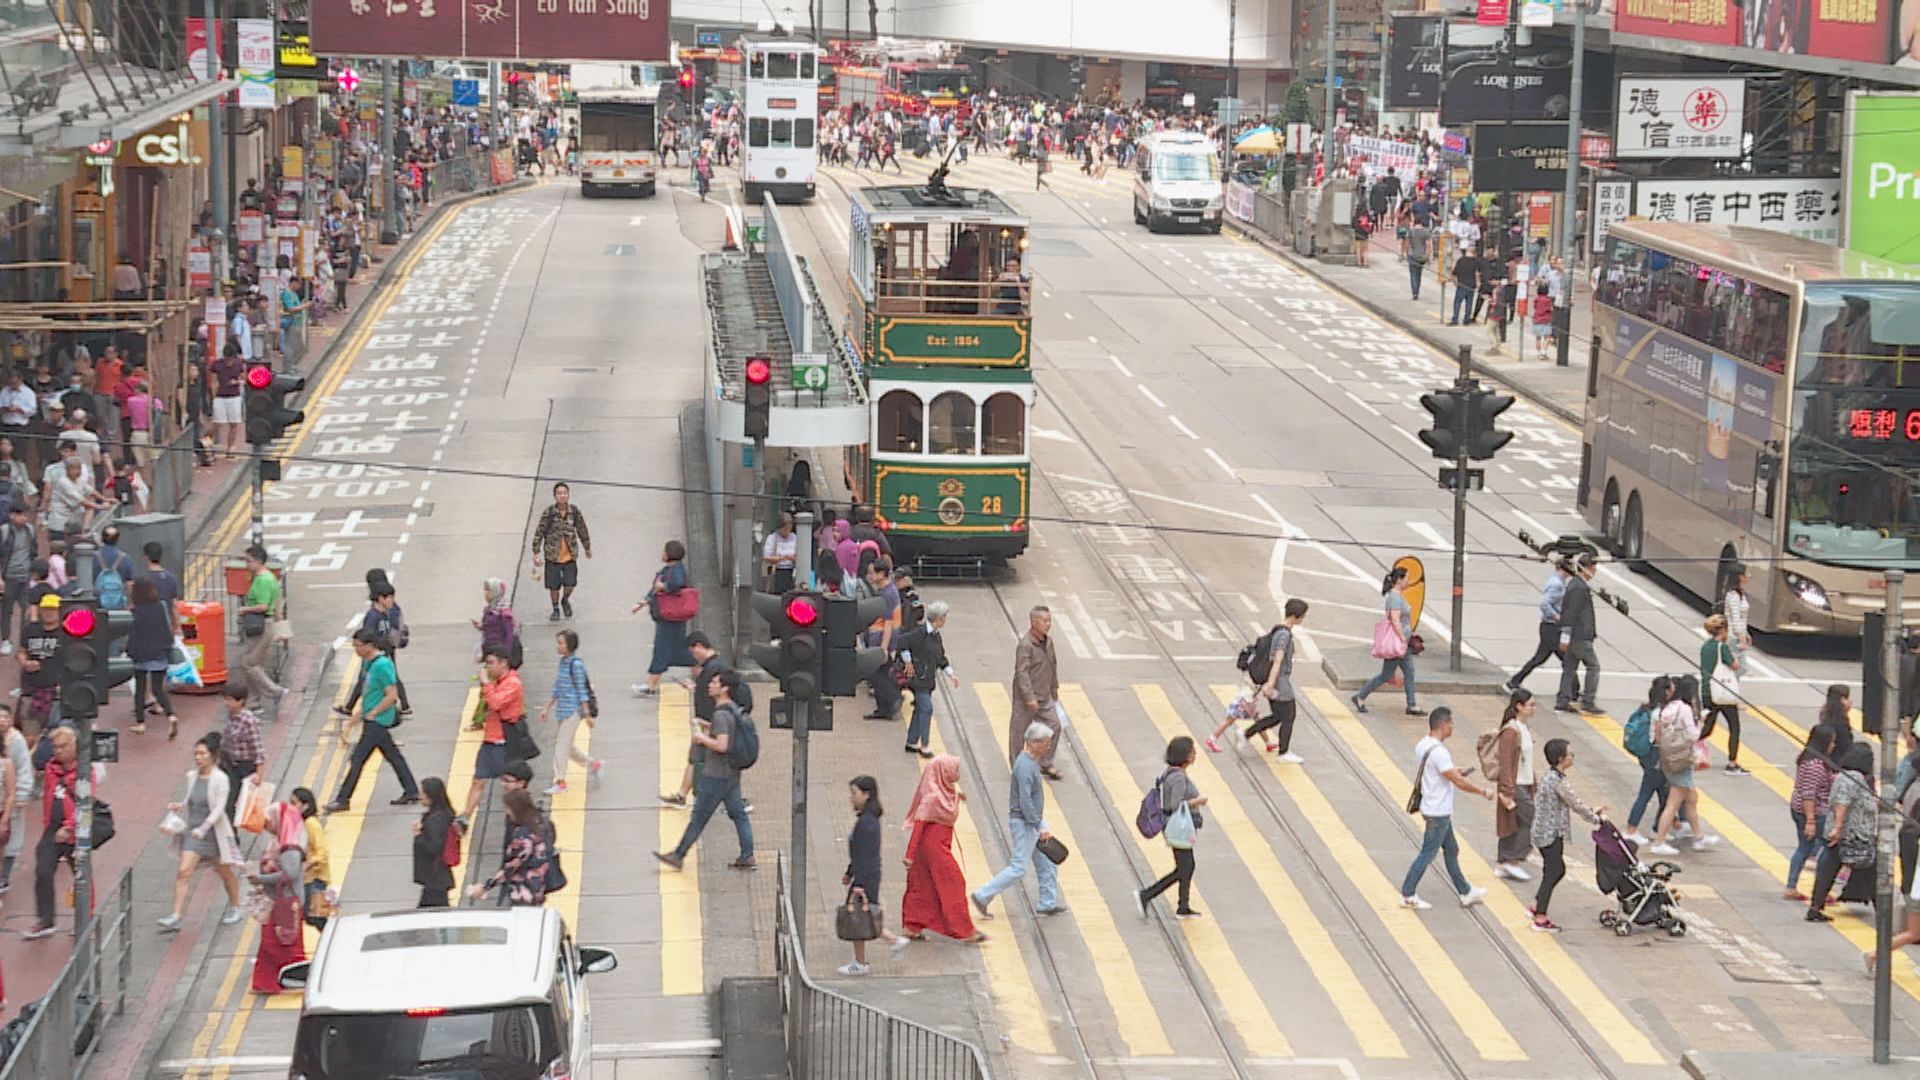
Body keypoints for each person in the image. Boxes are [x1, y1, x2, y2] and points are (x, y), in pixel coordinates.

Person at [655, 669, 755, 870]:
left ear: (724, 688)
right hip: (731, 773)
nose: (710, 685)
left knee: (699, 817)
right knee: (738, 814)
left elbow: (722, 745)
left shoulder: (721, 714)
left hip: (716, 775)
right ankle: (747, 855)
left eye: (715, 683)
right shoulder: (733, 710)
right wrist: (706, 726)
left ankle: (678, 855)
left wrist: (701, 738)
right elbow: (727, 734)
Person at [1399, 707, 1492, 911]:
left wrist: (1453, 770)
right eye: (1451, 724)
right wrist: (1482, 791)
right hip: (1437, 810)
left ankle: (1465, 890)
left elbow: (1438, 771)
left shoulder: (1423, 745)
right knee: (1427, 853)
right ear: (1443, 725)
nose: (1453, 727)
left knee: (1451, 849)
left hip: (1433, 806)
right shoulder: (1440, 752)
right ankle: (1407, 893)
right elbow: (1459, 782)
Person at [971, 722, 1065, 919]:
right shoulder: (1024, 767)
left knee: (1047, 862)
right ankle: (982, 895)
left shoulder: (1030, 762)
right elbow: (1024, 800)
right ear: (1033, 743)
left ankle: (1047, 903)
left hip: (1032, 820)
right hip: (1025, 823)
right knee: (1018, 867)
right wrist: (1038, 825)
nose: (1049, 746)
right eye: (1046, 742)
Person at [324, 629, 421, 812]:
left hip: (378, 720)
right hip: (373, 718)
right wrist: (354, 719)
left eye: (358, 646)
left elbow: (391, 695)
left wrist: (374, 713)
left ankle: (343, 799)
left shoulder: (382, 665)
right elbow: (370, 694)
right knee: (393, 756)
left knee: (358, 759)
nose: (356, 650)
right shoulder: (369, 664)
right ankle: (411, 790)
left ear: (369, 646)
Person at [897, 755, 985, 947]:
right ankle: (964, 930)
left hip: (932, 847)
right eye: (954, 770)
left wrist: (958, 797)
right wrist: (909, 855)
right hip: (934, 849)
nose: (957, 773)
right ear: (943, 773)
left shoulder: (943, 791)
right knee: (954, 883)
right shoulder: (933, 798)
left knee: (922, 884)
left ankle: (912, 925)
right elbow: (919, 825)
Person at [159, 734, 244, 930]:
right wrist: (179, 805)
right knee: (183, 871)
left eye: (202, 754)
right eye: (196, 753)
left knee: (224, 871)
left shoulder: (221, 779)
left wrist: (204, 828)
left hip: (214, 834)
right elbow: (190, 798)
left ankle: (235, 906)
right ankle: (176, 915)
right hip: (193, 833)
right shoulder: (192, 776)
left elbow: (218, 809)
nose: (198, 757)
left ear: (212, 755)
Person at [24, 727, 97, 939]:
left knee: (82, 875)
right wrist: (48, 822)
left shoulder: (85, 771)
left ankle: (86, 918)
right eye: (55, 747)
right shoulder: (51, 768)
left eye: (63, 746)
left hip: (76, 833)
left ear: (74, 746)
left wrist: (70, 827)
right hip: (52, 830)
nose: (58, 751)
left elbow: (87, 804)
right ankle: (46, 920)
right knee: (43, 871)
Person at [1529, 738, 1603, 933]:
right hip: (1550, 834)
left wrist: (1592, 812)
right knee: (1554, 871)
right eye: (1570, 754)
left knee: (1554, 870)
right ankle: (1540, 917)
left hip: (1545, 832)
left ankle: (1537, 904)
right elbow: (1575, 803)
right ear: (1561, 758)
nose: (1573, 757)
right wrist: (1596, 819)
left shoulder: (1552, 777)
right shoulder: (1557, 781)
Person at [1134, 735, 1207, 919]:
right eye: (1192, 751)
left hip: (1174, 827)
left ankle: (1183, 906)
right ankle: (1147, 895)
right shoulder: (1178, 778)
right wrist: (1197, 801)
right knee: (1185, 867)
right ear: (1185, 755)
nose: (1195, 754)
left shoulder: (1171, 773)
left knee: (1186, 866)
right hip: (1178, 829)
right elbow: (1175, 805)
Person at [839, 775, 906, 974]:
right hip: (865, 875)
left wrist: (858, 882)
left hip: (865, 877)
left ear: (866, 795)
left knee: (858, 916)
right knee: (865, 914)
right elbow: (860, 853)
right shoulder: (867, 820)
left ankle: (861, 962)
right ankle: (893, 941)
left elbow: (865, 855)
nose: (851, 797)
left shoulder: (867, 824)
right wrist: (849, 873)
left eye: (854, 793)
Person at [1648, 675, 1719, 855]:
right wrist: (1701, 721)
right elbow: (1694, 736)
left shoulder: (1666, 709)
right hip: (1682, 760)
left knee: (1691, 798)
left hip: (1669, 759)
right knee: (1673, 804)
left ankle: (1699, 837)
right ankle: (1659, 842)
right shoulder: (1684, 709)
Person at [1809, 743, 1877, 922]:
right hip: (1853, 836)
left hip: (1844, 835)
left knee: (1828, 871)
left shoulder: (1844, 776)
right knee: (1872, 874)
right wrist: (1838, 828)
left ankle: (1815, 907)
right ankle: (1883, 913)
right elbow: (1842, 802)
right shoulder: (1853, 777)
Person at [247, 801, 308, 992]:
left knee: (279, 942)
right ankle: (269, 980)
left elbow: (290, 874)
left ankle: (284, 978)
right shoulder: (281, 840)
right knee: (275, 941)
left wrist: (261, 879)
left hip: (286, 902)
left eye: (268, 823)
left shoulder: (289, 847)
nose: (266, 828)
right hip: (281, 901)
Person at [661, 631, 727, 808]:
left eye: (693, 652)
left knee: (710, 762)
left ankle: (733, 800)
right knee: (696, 758)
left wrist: (707, 724)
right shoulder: (713, 666)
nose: (693, 657)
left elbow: (714, 697)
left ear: (699, 646)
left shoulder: (713, 668)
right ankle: (682, 794)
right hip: (706, 723)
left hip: (710, 724)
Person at [461, 645, 525, 824]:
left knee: (511, 784)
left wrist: (486, 684)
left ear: (503, 663)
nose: (488, 668)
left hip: (504, 742)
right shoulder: (496, 682)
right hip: (490, 739)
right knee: (478, 780)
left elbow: (496, 703)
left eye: (491, 663)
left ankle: (519, 816)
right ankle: (465, 817)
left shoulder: (513, 683)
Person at [541, 629, 604, 795]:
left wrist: (587, 715)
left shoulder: (576, 665)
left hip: (573, 711)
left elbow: (582, 690)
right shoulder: (563, 662)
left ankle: (560, 782)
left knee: (561, 747)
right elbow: (557, 687)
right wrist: (547, 707)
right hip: (563, 710)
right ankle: (593, 764)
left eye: (561, 643)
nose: (558, 646)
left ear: (570, 645)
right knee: (567, 746)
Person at [1351, 567, 1419, 717]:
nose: (1409, 581)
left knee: (1409, 671)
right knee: (1386, 675)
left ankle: (1412, 704)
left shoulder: (1397, 596)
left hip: (1403, 643)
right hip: (1397, 644)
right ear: (1399, 580)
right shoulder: (1394, 597)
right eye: (1407, 578)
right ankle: (1360, 696)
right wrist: (1402, 638)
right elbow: (1395, 620)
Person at [895, 600, 957, 759]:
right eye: (944, 617)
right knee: (926, 708)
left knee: (920, 709)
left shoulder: (936, 636)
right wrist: (908, 661)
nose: (945, 620)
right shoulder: (920, 633)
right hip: (918, 679)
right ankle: (925, 745)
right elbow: (902, 642)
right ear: (939, 619)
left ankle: (911, 741)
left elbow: (940, 658)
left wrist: (951, 674)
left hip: (928, 680)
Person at [469, 789, 553, 906]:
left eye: (508, 808)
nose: (507, 812)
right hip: (539, 885)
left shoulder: (522, 835)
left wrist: (486, 887)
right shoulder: (542, 825)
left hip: (522, 891)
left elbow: (512, 866)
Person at [1008, 606, 1062, 779]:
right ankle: (1017, 767)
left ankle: (1045, 762)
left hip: (1044, 695)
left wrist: (1054, 688)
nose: (1048, 624)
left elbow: (1052, 665)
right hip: (1026, 698)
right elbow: (1021, 673)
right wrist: (1029, 697)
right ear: (1034, 622)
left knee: (1054, 725)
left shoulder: (1049, 642)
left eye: (1049, 620)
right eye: (1044, 621)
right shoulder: (1026, 645)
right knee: (1019, 732)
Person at [635, 540, 694, 696]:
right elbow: (655, 589)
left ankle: (651, 685)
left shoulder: (676, 570)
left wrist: (664, 587)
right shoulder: (669, 569)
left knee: (662, 649)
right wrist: (644, 601)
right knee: (677, 650)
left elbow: (676, 584)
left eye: (664, 551)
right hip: (670, 618)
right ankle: (704, 668)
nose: (662, 554)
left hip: (670, 618)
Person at [1784, 724, 1836, 902]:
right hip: (1813, 812)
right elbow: (1809, 794)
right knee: (1825, 850)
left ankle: (1792, 886)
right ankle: (1820, 891)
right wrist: (1811, 821)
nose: (1833, 745)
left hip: (1801, 810)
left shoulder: (1809, 760)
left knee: (1805, 848)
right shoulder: (1815, 766)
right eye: (1831, 742)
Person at [1621, 677, 1674, 845]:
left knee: (1664, 793)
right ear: (1666, 692)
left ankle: (1660, 827)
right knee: (1646, 794)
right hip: (1657, 756)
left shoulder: (1647, 708)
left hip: (1650, 756)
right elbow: (1659, 737)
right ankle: (1631, 829)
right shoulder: (1660, 713)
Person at [1505, 558, 1569, 694]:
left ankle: (1515, 681)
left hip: (1549, 627)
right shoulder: (1557, 584)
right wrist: (1557, 616)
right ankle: (1572, 691)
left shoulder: (1555, 580)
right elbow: (1544, 604)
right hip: (1552, 627)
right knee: (1564, 659)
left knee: (1543, 658)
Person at [236, 545, 287, 714]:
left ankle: (275, 691)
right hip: (267, 624)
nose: (246, 564)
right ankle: (254, 702)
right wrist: (282, 629)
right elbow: (277, 606)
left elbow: (264, 606)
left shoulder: (263, 580)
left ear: (258, 561)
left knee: (248, 663)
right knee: (256, 664)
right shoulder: (269, 578)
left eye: (248, 561)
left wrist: (244, 609)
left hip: (260, 625)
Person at [1493, 690, 1538, 882]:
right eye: (1531, 705)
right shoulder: (1511, 731)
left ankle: (1504, 861)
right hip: (1514, 784)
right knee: (1531, 817)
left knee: (1514, 822)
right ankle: (1513, 860)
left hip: (1524, 783)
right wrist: (1507, 790)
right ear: (1519, 706)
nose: (1534, 709)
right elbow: (1505, 763)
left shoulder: (1523, 728)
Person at [530, 482, 591, 620]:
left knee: (570, 583)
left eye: (564, 493)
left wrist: (587, 547)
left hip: (570, 555)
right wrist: (536, 552)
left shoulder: (574, 512)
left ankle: (565, 600)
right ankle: (555, 608)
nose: (562, 495)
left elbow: (582, 529)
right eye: (559, 493)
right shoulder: (549, 513)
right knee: (554, 586)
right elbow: (539, 532)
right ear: (555, 496)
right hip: (553, 556)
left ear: (568, 495)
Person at [128, 577, 177, 738]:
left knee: (140, 689)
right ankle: (171, 715)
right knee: (158, 689)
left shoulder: (136, 612)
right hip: (160, 651)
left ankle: (140, 723)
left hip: (142, 654)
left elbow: (134, 635)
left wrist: (130, 652)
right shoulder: (160, 606)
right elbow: (167, 628)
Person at [1553, 554, 1601, 714]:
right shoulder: (1579, 588)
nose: (1593, 572)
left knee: (1569, 667)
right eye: (1592, 569)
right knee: (1593, 666)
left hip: (1575, 635)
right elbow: (1571, 613)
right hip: (1579, 635)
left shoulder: (1576, 585)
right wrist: (1565, 635)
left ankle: (1563, 700)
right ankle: (1588, 701)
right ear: (1585, 568)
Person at [1699, 613, 1746, 774]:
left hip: (1707, 690)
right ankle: (1732, 763)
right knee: (1734, 727)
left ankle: (1681, 749)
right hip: (1722, 692)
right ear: (1723, 630)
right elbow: (1734, 666)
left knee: (1707, 728)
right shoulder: (1722, 648)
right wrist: (1735, 656)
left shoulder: (1706, 646)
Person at [218, 682, 265, 820]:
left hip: (244, 767)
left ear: (240, 701)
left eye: (230, 700)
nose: (226, 703)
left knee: (230, 803)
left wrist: (259, 774)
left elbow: (258, 749)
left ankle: (231, 833)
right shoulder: (231, 715)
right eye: (225, 699)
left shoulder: (248, 721)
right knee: (223, 799)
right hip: (229, 764)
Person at [16, 593, 60, 738]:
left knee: (53, 736)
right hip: (31, 690)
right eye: (46, 609)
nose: (49, 613)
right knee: (30, 735)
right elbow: (21, 651)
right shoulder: (30, 629)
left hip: (55, 693)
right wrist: (25, 662)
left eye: (53, 609)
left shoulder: (66, 634)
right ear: (40, 610)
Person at [413, 777, 459, 908]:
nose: (420, 796)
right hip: (437, 877)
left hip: (435, 876)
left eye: (423, 793)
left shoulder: (435, 820)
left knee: (431, 912)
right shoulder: (443, 815)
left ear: (431, 796)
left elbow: (433, 847)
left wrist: (418, 835)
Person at [292, 787, 331, 931]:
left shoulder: (311, 823)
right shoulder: (302, 823)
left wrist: (310, 863)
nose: (291, 807)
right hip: (308, 878)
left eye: (294, 803)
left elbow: (322, 852)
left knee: (318, 918)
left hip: (316, 878)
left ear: (305, 805)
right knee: (312, 916)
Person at [0, 503, 36, 656]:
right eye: (21, 515)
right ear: (12, 515)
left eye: (26, 515)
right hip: (9, 577)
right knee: (6, 610)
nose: (24, 518)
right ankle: (6, 640)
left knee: (26, 610)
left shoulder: (30, 531)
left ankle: (24, 642)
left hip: (25, 577)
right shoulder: (4, 532)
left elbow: (33, 552)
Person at [0, 705, 30, 890]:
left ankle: (4, 876)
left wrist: (22, 793)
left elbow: (24, 767)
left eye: (5, 717)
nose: (2, 721)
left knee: (9, 839)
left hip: (11, 799)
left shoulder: (17, 740)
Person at [210, 341, 247, 458]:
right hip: (220, 396)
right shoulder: (217, 365)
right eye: (227, 359)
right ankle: (208, 442)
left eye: (230, 359)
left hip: (234, 397)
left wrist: (236, 382)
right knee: (218, 423)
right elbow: (213, 381)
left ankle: (230, 448)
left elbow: (244, 379)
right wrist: (214, 397)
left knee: (234, 423)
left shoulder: (239, 364)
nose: (229, 362)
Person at [763, 512, 798, 593]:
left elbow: (799, 555)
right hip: (777, 571)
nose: (787, 531)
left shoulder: (794, 537)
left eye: (789, 529)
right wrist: (780, 558)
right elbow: (766, 557)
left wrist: (792, 558)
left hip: (791, 571)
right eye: (785, 529)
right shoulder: (772, 538)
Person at [1820, 684, 1856, 758]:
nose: (1850, 701)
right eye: (1847, 698)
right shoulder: (1840, 723)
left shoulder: (1827, 715)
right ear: (1842, 700)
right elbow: (1846, 746)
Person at [1449, 248, 1480, 326]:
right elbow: (1477, 274)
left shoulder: (1460, 260)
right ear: (1474, 253)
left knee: (1457, 302)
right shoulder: (1475, 262)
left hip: (1461, 285)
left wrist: (1455, 283)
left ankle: (1455, 319)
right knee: (1469, 303)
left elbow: (1453, 274)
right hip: (1471, 286)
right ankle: (1466, 320)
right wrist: (1477, 283)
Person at [1406, 217, 1431, 301]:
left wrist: (1406, 253)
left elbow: (1407, 243)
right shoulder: (1426, 231)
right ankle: (1417, 291)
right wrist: (1427, 256)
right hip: (1421, 255)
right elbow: (1428, 245)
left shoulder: (1411, 231)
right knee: (1419, 274)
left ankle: (1414, 293)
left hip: (1412, 254)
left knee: (1413, 275)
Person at [1529, 280, 1554, 360]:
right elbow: (1550, 309)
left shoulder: (1536, 299)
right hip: (1546, 320)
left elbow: (1535, 307)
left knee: (1538, 337)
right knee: (1547, 336)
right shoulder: (1548, 300)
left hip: (1536, 319)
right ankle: (1544, 352)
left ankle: (1539, 352)